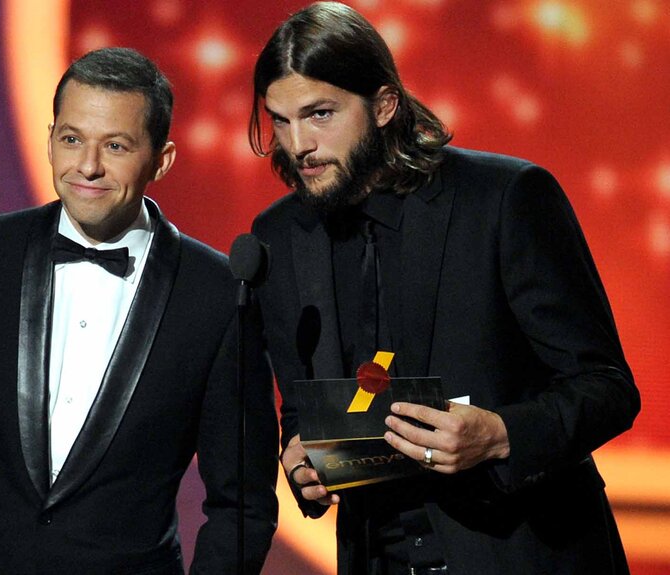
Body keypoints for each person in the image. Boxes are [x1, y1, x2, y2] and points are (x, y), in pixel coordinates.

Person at [248, 3, 639, 574]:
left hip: (523, 551)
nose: (298, 144)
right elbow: (305, 406)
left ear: (383, 106)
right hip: (376, 556)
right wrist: (303, 459)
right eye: (280, 121)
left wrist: (502, 435)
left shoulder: (504, 199)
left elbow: (607, 387)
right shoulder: (279, 238)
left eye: (320, 114)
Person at [0, 47, 278, 574]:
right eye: (72, 139)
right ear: (51, 139)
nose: (88, 166)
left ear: (162, 160)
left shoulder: (218, 294)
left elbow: (242, 506)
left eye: (116, 146)